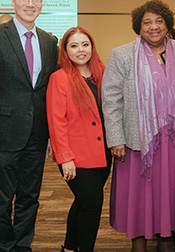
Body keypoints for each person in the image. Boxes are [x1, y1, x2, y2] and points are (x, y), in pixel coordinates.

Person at [102, 0, 175, 252]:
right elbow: (111, 99)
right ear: (138, 27)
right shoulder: (122, 55)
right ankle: (139, 242)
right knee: (140, 197)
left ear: (168, 24)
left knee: (168, 195)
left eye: (159, 21)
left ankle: (166, 239)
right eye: (147, 22)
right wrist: (116, 138)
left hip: (174, 142)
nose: (153, 27)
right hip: (136, 142)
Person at [0, 0, 58, 252]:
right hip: (4, 133)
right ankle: (5, 245)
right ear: (13, 2)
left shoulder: (49, 41)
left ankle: (22, 246)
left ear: (42, 4)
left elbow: (47, 91)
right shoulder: (1, 35)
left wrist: (50, 134)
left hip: (36, 135)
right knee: (2, 198)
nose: (30, 4)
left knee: (29, 197)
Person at [46, 26, 112, 252]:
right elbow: (57, 122)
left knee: (83, 203)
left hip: (103, 154)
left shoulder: (104, 72)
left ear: (92, 47)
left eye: (85, 44)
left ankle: (69, 248)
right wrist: (65, 158)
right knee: (92, 206)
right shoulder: (59, 78)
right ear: (65, 51)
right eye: (74, 46)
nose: (80, 50)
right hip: (76, 157)